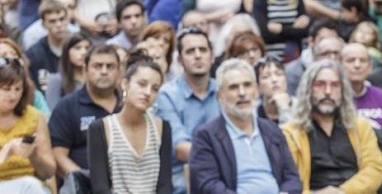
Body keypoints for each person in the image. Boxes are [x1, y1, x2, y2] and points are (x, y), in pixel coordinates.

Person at [190, 59, 302, 193]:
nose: (242, 93)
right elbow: (209, 185)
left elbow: (292, 178)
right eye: (233, 87)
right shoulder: (206, 136)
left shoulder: (271, 130)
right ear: (220, 96)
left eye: (247, 85)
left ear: (256, 90)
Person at [282, 60, 382, 192]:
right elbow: (292, 181)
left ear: (343, 91)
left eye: (335, 85)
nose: (328, 91)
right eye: (320, 84)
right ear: (308, 89)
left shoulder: (360, 126)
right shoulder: (292, 132)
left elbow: (375, 168)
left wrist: (343, 191)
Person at [88, 50, 172, 193]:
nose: (147, 92)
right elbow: (100, 188)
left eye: (155, 89)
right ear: (125, 84)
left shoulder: (162, 127)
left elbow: (164, 185)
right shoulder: (101, 128)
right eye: (142, 84)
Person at [155, 27, 218, 194]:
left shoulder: (224, 91)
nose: (198, 55)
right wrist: (223, 159)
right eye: (190, 51)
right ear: (180, 60)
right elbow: (181, 149)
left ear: (212, 57)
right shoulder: (167, 95)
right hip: (182, 174)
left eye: (203, 50)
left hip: (224, 169)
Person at [48, 44, 122, 177]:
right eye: (97, 66)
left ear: (119, 71)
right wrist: (84, 180)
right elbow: (58, 155)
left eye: (110, 66)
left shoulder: (128, 105)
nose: (104, 71)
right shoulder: (67, 106)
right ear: (85, 70)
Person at [0, 56, 56, 193]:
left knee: (31, 185)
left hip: (29, 183)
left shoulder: (34, 116)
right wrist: (6, 151)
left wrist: (34, 156)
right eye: (6, 89)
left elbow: (48, 173)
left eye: (18, 89)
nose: (13, 96)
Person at [341, 43, 382, 129]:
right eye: (351, 60)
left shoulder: (380, 96)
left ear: (370, 66)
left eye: (362, 61)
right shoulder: (335, 97)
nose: (357, 65)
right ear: (340, 65)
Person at [284, 18, 339, 96]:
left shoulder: (342, 67)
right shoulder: (292, 72)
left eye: (332, 40)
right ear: (311, 42)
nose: (328, 45)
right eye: (323, 40)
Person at [26, 0, 71, 91]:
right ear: (43, 24)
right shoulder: (34, 54)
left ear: (67, 20)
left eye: (62, 19)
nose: (59, 25)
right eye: (52, 21)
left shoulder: (78, 47)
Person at [45, 33, 91, 110]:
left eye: (87, 48)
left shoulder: (95, 79)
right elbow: (54, 111)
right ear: (67, 52)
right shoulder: (56, 80)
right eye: (78, 48)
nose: (84, 52)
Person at [255, 56, 296, 124]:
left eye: (279, 74)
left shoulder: (301, 108)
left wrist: (284, 109)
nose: (274, 80)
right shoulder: (253, 113)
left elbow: (294, 134)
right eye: (266, 76)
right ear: (258, 87)